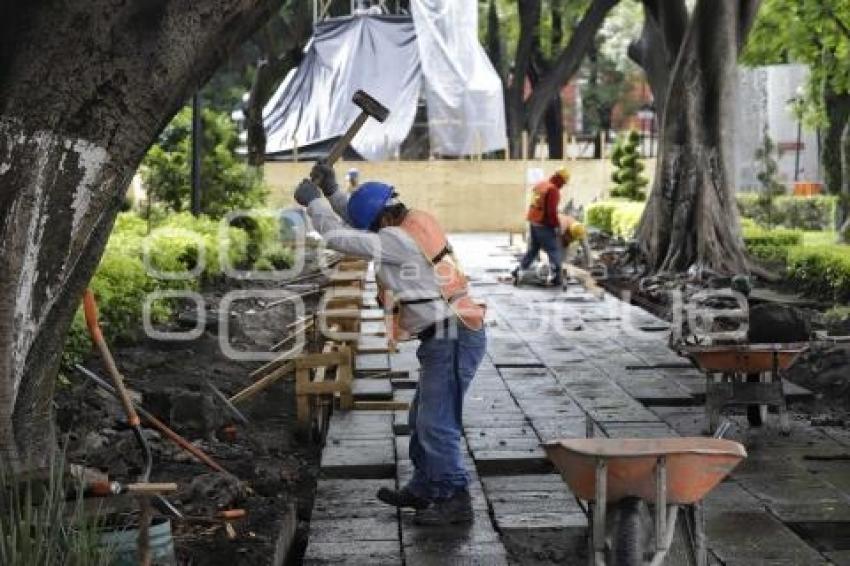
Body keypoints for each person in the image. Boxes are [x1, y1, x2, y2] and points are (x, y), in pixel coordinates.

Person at [294, 160, 487, 525]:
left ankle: (454, 499)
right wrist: (334, 193)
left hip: (454, 334)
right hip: (451, 332)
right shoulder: (412, 222)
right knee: (422, 417)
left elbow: (341, 237)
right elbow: (359, 226)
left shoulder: (396, 240)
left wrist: (314, 204)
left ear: (381, 220)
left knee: (436, 423)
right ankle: (425, 486)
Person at [513, 167, 570, 286]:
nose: (563, 185)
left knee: (533, 250)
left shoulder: (541, 184)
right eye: (563, 182)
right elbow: (551, 211)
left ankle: (519, 269)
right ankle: (556, 277)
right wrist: (556, 226)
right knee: (553, 250)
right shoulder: (553, 189)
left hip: (534, 222)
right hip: (544, 224)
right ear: (559, 179)